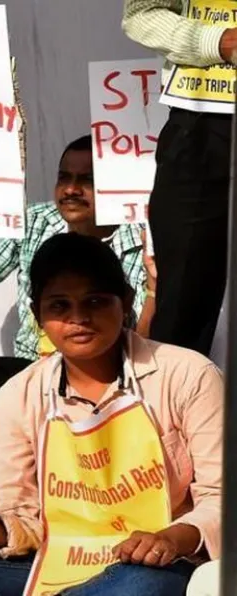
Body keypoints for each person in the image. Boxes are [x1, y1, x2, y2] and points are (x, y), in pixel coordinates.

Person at [0, 233, 220, 596]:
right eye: (59, 306)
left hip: (152, 565)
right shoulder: (19, 395)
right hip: (55, 561)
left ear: (125, 302)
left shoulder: (187, 374)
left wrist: (171, 539)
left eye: (95, 302)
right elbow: (21, 526)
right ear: (38, 315)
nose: (78, 318)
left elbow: (221, 499)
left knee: (140, 585)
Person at [0, 135, 154, 427]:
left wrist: (153, 289)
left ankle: (17, 417)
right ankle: (33, 416)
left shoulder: (143, 240)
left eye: (87, 180)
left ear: (115, 188)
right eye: (64, 178)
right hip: (33, 373)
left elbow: (147, 341)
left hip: (109, 377)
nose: (71, 189)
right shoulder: (34, 221)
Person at [123, 0, 236, 356]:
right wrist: (219, 41)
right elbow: (141, 16)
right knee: (184, 296)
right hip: (203, 121)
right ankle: (176, 406)